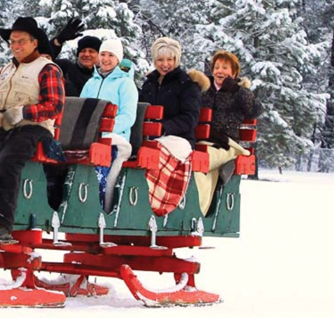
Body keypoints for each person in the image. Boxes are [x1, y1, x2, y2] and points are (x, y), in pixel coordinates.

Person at [0, 17, 64, 243]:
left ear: (35, 43)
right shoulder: (5, 70)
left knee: (8, 161)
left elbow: (55, 105)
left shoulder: (48, 69)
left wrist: (24, 112)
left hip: (34, 130)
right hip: (3, 128)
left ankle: (2, 224)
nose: (15, 46)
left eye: (21, 41)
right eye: (12, 42)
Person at [138, 37, 202, 216]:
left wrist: (164, 127)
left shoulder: (187, 85)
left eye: (170, 60)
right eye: (160, 60)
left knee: (153, 151)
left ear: (177, 60)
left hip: (180, 139)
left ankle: (156, 205)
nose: (165, 64)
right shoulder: (149, 84)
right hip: (152, 138)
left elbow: (190, 117)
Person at [192, 50, 261, 214]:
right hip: (201, 141)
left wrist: (237, 90)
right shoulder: (204, 89)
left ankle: (201, 209)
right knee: (188, 159)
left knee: (201, 161)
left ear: (234, 72)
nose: (220, 71)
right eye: (216, 67)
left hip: (226, 144)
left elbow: (256, 110)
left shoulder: (239, 92)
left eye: (225, 68)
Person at [79, 39, 138, 212]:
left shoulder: (125, 84)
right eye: (103, 54)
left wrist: (105, 129)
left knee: (101, 157)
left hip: (115, 138)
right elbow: (81, 108)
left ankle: (100, 204)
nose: (105, 59)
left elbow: (128, 116)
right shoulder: (91, 83)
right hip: (89, 136)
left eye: (111, 55)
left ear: (118, 59)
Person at [49, 18, 101, 97]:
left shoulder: (101, 78)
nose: (86, 54)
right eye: (83, 51)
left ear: (99, 55)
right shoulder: (65, 67)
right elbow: (43, 61)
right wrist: (58, 41)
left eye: (91, 51)